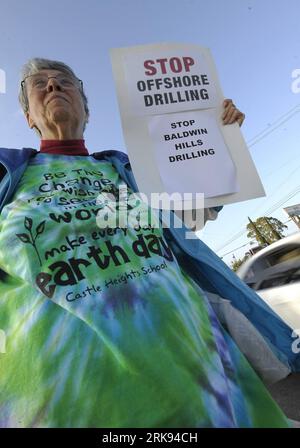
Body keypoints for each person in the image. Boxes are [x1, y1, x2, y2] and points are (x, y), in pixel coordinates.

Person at [0, 58, 297, 428]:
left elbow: (195, 210)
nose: (53, 86)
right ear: (28, 117)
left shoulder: (128, 171)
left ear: (86, 108)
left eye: (64, 81)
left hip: (206, 389)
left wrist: (221, 140)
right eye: (39, 84)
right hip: (63, 403)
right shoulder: (7, 176)